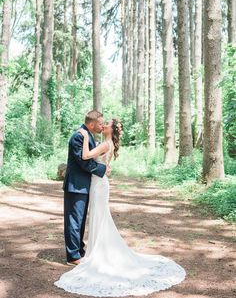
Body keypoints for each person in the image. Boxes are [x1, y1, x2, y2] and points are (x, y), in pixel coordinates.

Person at [56, 118, 186, 296]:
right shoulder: (102, 141)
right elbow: (90, 160)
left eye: (105, 124)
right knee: (97, 217)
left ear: (110, 129)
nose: (102, 126)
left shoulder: (101, 142)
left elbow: (85, 156)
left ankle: (97, 251)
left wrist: (86, 138)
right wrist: (101, 164)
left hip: (98, 185)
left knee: (99, 218)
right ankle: (91, 250)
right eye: (101, 123)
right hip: (95, 184)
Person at [63, 110, 109, 265]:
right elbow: (84, 162)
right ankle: (73, 256)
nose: (102, 126)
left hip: (84, 185)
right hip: (75, 185)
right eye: (100, 123)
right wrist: (102, 170)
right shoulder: (79, 136)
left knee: (80, 220)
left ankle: (80, 251)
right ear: (91, 124)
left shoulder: (88, 135)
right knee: (74, 221)